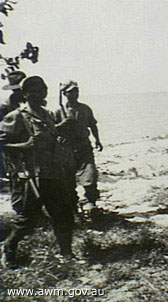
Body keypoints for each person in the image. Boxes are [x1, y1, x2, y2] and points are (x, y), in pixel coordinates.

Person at [0, 76, 75, 268]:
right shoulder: (17, 116)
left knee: (63, 214)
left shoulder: (48, 114)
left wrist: (60, 139)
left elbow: (50, 138)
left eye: (40, 89)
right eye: (32, 90)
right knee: (27, 221)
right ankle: (8, 248)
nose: (37, 93)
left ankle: (66, 254)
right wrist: (24, 145)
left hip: (53, 173)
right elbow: (2, 143)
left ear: (45, 92)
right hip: (31, 177)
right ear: (24, 94)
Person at [54, 81, 103, 212]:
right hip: (67, 149)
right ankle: (72, 206)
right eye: (71, 92)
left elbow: (92, 124)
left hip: (84, 146)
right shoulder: (58, 112)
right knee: (68, 180)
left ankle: (91, 203)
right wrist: (62, 125)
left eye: (76, 91)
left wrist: (97, 140)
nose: (75, 94)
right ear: (64, 94)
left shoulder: (85, 108)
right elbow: (51, 130)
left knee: (90, 175)